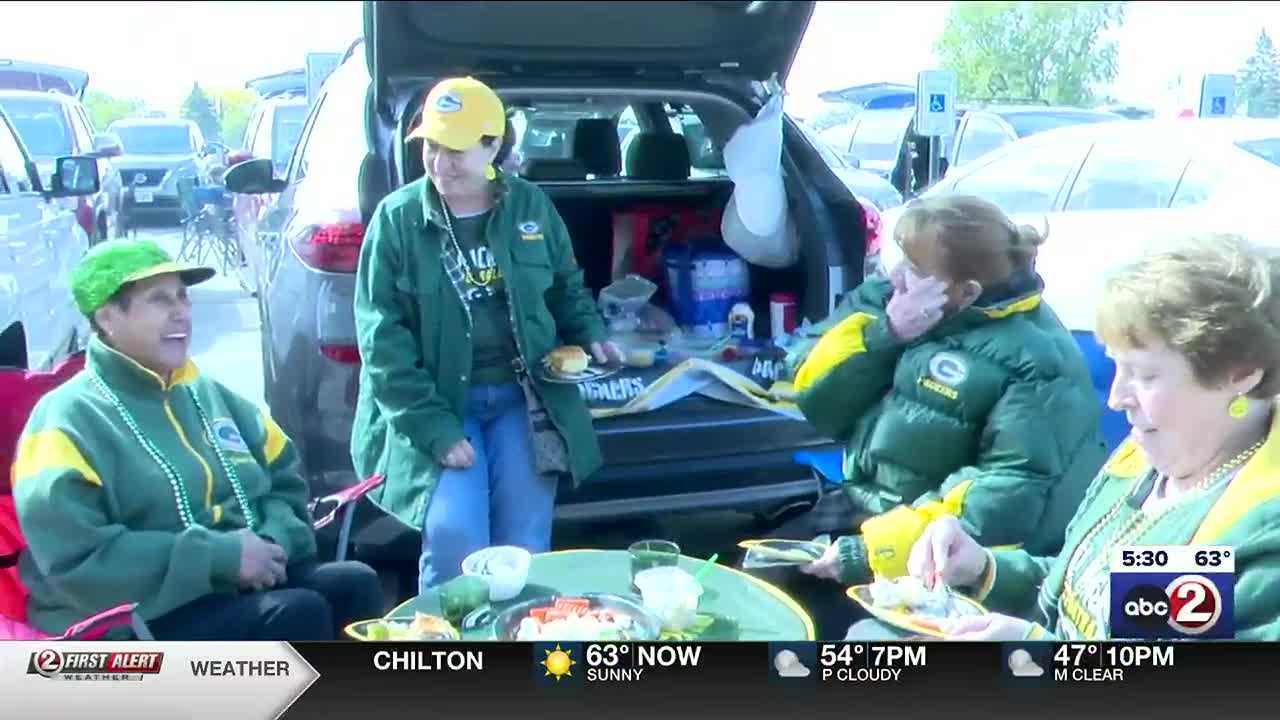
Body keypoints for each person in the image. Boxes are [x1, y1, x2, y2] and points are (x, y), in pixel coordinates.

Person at [888, 233, 1280, 641]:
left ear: (1240, 373)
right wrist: (984, 569)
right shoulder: (1141, 461)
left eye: (1144, 375)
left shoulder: (1260, 531)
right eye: (1116, 368)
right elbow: (1089, 596)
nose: (1116, 398)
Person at [766, 194, 1107, 638]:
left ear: (967, 292)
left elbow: (1007, 496)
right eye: (900, 259)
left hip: (947, 546)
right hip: (866, 501)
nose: (897, 275)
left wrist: (869, 551)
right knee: (757, 579)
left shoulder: (1034, 360)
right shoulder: (895, 299)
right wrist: (885, 334)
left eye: (918, 270)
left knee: (846, 635)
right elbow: (810, 389)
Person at [11, 239, 385, 640]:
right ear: (106, 318)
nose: (181, 314)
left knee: (354, 583)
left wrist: (271, 542)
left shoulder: (209, 395)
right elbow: (78, 561)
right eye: (158, 300)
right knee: (295, 613)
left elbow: (285, 483)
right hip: (123, 613)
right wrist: (222, 558)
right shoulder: (65, 419)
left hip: (227, 582)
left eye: (183, 297)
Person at [351, 77, 623, 592]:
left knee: (523, 546)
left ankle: (517, 643)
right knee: (456, 534)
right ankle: (446, 648)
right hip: (443, 404)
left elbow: (565, 284)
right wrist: (434, 429)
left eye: (456, 150)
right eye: (431, 146)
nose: (439, 162)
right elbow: (381, 341)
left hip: (524, 398)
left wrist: (590, 332)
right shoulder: (398, 219)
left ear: (493, 146)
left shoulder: (530, 207)